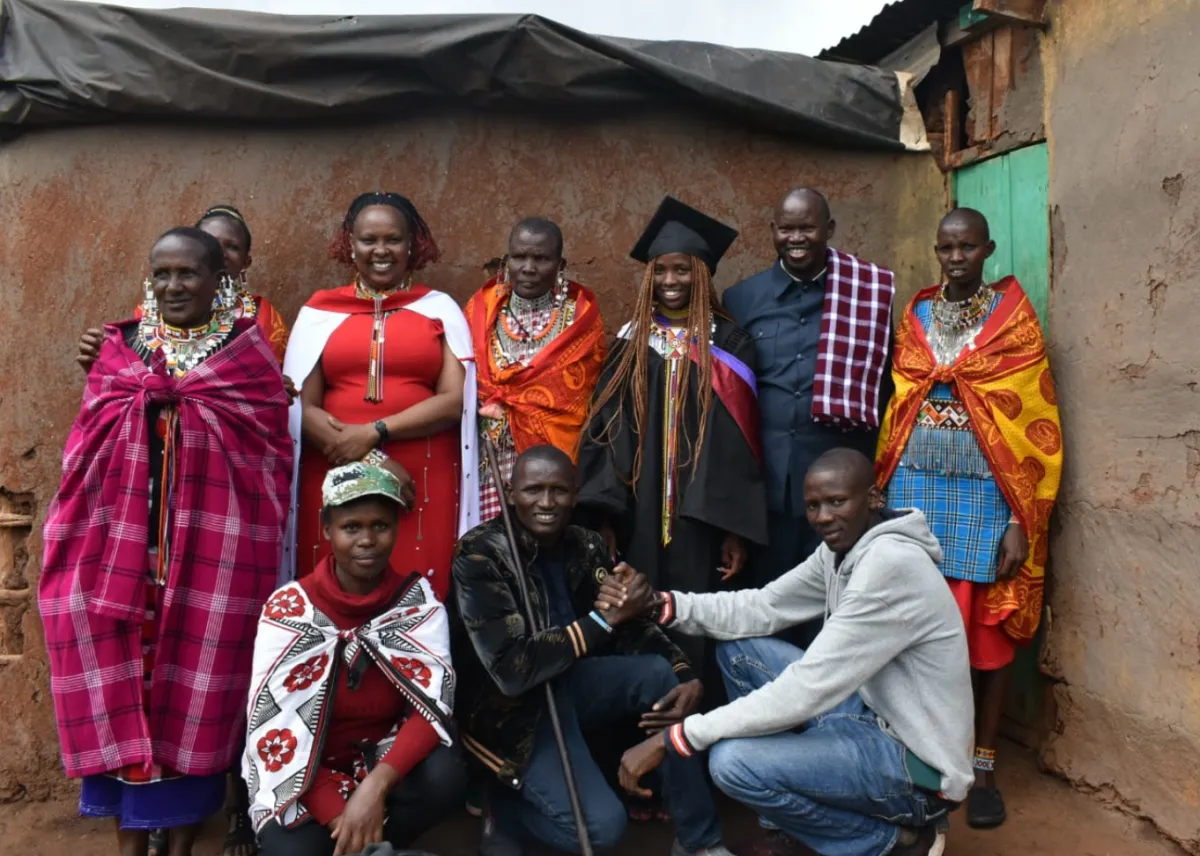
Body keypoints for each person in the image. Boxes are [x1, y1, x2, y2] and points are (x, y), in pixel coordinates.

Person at [38, 227, 293, 856]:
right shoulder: (120, 348)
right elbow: (85, 450)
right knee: (123, 679)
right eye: (162, 274)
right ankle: (130, 840)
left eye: (188, 273)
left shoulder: (245, 355)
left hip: (210, 560)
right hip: (117, 553)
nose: (174, 285)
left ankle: (180, 841)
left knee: (192, 685)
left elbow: (266, 459)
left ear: (219, 281)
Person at [606, 448, 973, 856]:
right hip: (874, 718)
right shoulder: (841, 551)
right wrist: (658, 604)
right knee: (740, 651)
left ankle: (894, 843)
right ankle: (788, 828)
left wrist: (677, 737)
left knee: (732, 763)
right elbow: (764, 607)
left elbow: (807, 688)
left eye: (837, 501)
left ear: (873, 498)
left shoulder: (890, 566)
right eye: (814, 506)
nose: (824, 517)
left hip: (917, 766)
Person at [450, 445, 733, 856]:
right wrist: (603, 621)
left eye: (558, 490)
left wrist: (684, 672)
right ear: (510, 493)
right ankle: (506, 811)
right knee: (603, 830)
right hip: (510, 714)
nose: (547, 502)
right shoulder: (479, 554)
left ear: (575, 493)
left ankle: (699, 842)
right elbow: (513, 671)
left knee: (664, 678)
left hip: (569, 684)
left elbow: (628, 624)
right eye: (533, 490)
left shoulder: (584, 544)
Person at [876, 208, 1062, 830]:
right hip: (915, 488)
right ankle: (924, 755)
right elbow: (901, 398)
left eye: (967, 247)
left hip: (987, 494)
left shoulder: (1013, 323)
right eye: (946, 247)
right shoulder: (917, 317)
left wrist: (1018, 519)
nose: (955, 258)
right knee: (912, 629)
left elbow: (1030, 419)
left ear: (988, 249)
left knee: (987, 635)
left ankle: (983, 766)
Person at [577, 196, 768, 672]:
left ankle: (698, 705)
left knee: (700, 610)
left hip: (702, 517)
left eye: (682, 270)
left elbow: (738, 446)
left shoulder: (730, 345)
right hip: (637, 511)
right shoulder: (630, 342)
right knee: (635, 606)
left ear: (701, 274)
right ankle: (644, 701)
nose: (670, 281)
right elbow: (607, 432)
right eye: (660, 271)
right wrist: (605, 516)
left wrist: (733, 528)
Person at [245, 462, 466, 856]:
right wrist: (341, 818)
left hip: (382, 769)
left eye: (380, 525)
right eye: (351, 527)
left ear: (396, 528)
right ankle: (373, 846)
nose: (367, 540)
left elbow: (432, 709)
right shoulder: (289, 611)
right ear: (327, 529)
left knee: (444, 774)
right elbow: (271, 730)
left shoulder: (417, 605)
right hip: (308, 779)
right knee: (289, 851)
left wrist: (373, 791)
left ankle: (376, 841)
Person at [282, 191, 479, 594]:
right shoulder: (320, 311)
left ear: (412, 244)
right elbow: (299, 402)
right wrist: (371, 459)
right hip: (334, 461)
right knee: (335, 581)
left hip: (424, 470)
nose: (381, 250)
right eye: (369, 240)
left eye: (393, 239)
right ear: (350, 243)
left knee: (418, 581)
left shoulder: (439, 309)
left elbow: (454, 400)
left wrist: (376, 432)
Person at [722, 189, 894, 604]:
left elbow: (884, 387)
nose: (796, 238)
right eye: (786, 229)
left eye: (807, 228)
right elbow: (729, 395)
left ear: (829, 229)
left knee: (837, 602)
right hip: (766, 488)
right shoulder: (741, 299)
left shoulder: (866, 295)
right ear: (772, 231)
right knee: (767, 599)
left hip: (840, 492)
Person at [466, 217, 606, 521]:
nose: (528, 267)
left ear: (560, 264)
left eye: (541, 259)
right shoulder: (482, 309)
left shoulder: (579, 318)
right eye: (519, 257)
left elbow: (581, 399)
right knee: (493, 542)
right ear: (507, 260)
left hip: (554, 465)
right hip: (491, 460)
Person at [76, 204, 291, 370]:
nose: (220, 253)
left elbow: (265, 384)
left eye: (232, 247)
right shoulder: (149, 316)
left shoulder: (262, 316)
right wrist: (105, 365)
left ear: (246, 261)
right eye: (210, 243)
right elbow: (129, 379)